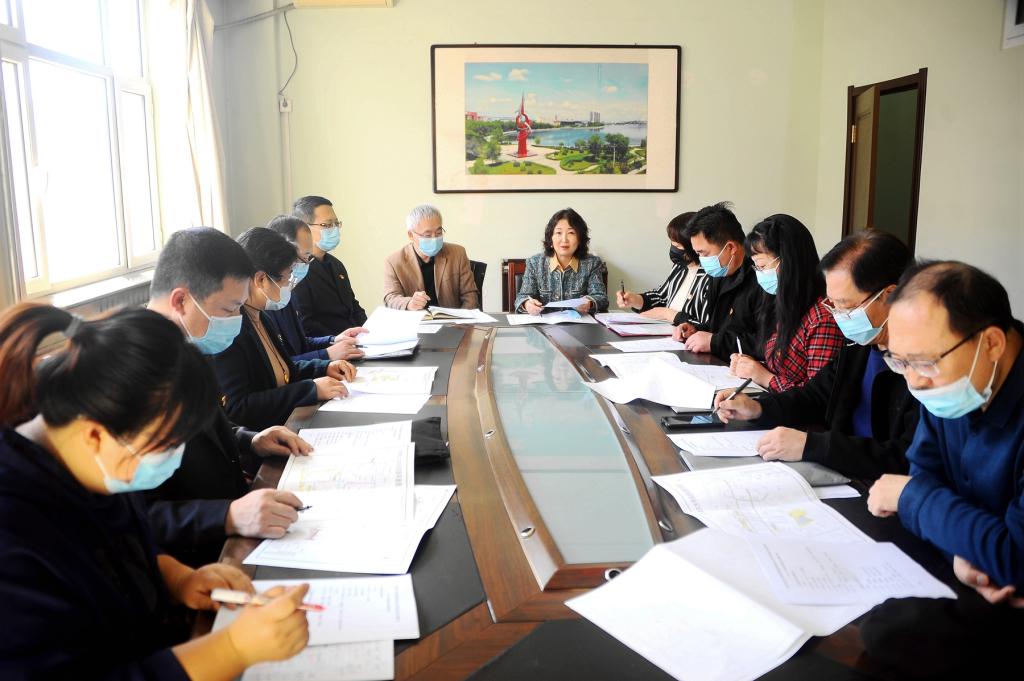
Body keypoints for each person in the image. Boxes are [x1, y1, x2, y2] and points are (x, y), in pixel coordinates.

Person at [0, 302, 309, 679]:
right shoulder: (13, 538)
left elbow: (121, 543)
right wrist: (232, 649)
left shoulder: (87, 462)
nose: (174, 460)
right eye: (166, 447)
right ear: (95, 436)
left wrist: (178, 578)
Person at [860, 261, 1024, 678]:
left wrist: (912, 499)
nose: (914, 382)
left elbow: (1015, 559)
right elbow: (923, 470)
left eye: (925, 363)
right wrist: (961, 551)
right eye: (900, 361)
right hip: (965, 571)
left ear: (991, 344)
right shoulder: (956, 381)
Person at [146, 227, 313, 566]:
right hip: (192, 559)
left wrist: (251, 440)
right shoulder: (131, 372)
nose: (237, 321)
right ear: (180, 301)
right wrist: (228, 515)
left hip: (235, 523)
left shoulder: (190, 346)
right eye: (229, 309)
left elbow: (210, 424)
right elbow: (132, 514)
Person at [714, 230, 917, 482]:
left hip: (880, 487)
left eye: (845, 305)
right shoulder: (861, 345)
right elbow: (816, 395)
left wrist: (811, 445)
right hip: (842, 473)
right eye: (832, 304)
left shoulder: (922, 367)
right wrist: (757, 408)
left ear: (889, 296)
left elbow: (905, 458)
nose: (838, 315)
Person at [211, 228, 356, 431]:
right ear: (261, 279)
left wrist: (323, 367)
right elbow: (238, 407)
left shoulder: (261, 315)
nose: (290, 284)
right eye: (286, 278)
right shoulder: (231, 329)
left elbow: (283, 370)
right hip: (267, 434)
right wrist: (310, 389)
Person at [728, 214, 844, 392]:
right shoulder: (784, 303)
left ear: (789, 262)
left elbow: (817, 397)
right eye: (756, 267)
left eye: (762, 266)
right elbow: (782, 370)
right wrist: (752, 367)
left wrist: (764, 377)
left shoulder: (822, 318)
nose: (759, 274)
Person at [670, 202, 768, 361]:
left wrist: (714, 342)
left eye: (704, 253)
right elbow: (718, 328)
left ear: (731, 248)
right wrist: (695, 330)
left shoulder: (764, 278)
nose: (701, 260)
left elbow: (767, 344)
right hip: (719, 361)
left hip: (745, 368)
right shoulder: (719, 272)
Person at [265, 214, 366, 362]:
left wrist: (333, 340)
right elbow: (280, 366)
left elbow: (301, 343)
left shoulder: (284, 293)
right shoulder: (264, 304)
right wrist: (326, 354)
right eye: (305, 257)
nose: (307, 264)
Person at [290, 195, 367, 336]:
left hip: (356, 340)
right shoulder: (297, 270)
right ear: (304, 228)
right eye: (326, 225)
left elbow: (353, 307)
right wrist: (338, 340)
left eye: (336, 224)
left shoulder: (336, 265)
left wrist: (368, 330)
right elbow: (306, 324)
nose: (334, 229)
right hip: (330, 344)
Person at [616, 211, 711, 324]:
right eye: (672, 244)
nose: (673, 249)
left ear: (694, 246)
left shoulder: (711, 274)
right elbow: (661, 296)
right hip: (665, 329)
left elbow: (706, 324)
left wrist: (668, 314)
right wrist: (635, 300)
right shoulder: (680, 268)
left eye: (677, 245)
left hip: (685, 334)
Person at [383, 204, 479, 311]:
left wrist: (462, 318)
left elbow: (470, 295)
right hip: (416, 320)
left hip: (452, 319)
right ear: (410, 235)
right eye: (427, 235)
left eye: (438, 233)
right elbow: (390, 297)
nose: (434, 239)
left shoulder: (458, 254)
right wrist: (409, 303)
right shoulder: (393, 262)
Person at [513, 208, 609, 314]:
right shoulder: (535, 263)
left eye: (571, 233)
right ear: (550, 238)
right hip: (544, 323)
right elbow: (522, 297)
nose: (564, 239)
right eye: (558, 232)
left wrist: (589, 303)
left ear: (580, 239)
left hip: (579, 323)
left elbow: (601, 298)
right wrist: (527, 304)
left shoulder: (592, 263)